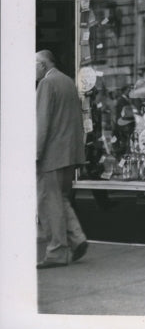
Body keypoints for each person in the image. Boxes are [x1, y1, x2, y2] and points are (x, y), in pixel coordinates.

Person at [36, 50, 88, 268]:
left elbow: (42, 122)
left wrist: (35, 153)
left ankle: (57, 250)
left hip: (52, 155)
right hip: (69, 154)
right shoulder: (67, 81)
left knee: (50, 203)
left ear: (43, 65)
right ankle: (77, 239)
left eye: (34, 65)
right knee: (61, 198)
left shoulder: (46, 84)